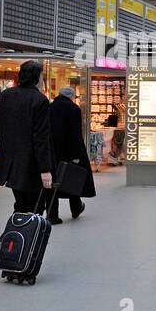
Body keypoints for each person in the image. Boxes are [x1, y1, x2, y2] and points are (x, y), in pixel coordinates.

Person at [0, 59, 53, 212]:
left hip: (10, 162)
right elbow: (41, 138)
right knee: (34, 208)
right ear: (37, 77)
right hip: (31, 164)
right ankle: (25, 235)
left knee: (20, 204)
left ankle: (15, 234)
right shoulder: (40, 100)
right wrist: (45, 170)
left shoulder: (6, 96)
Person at [47, 86, 94, 223]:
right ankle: (76, 208)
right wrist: (77, 154)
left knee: (53, 181)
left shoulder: (50, 107)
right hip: (69, 150)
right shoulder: (74, 109)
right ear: (72, 96)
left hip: (53, 151)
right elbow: (75, 134)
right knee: (73, 178)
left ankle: (52, 214)